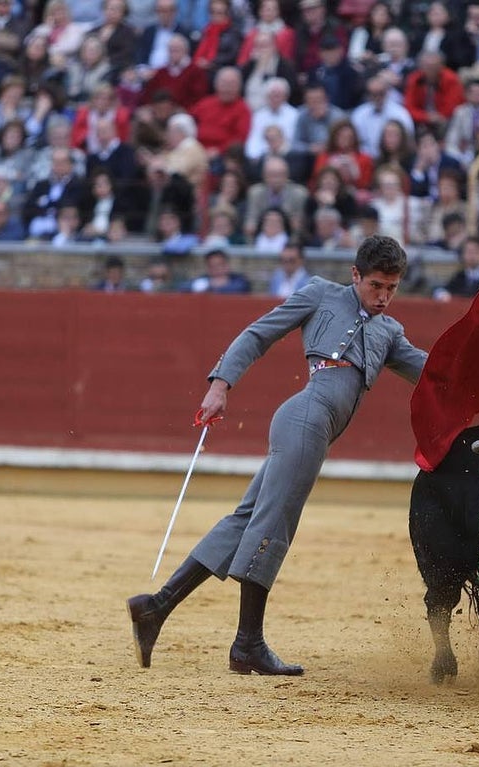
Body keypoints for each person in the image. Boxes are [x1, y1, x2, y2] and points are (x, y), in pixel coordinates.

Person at [127, 235, 428, 675]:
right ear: (355, 275)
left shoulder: (390, 332)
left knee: (247, 519)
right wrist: (220, 385)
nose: (383, 297)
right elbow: (258, 334)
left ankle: (155, 608)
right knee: (275, 522)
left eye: (392, 288)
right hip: (304, 419)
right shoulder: (320, 293)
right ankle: (247, 643)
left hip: (313, 429)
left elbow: (432, 372)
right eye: (375, 286)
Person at [186, 248, 251, 293]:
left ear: (227, 265)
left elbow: (241, 287)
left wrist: (218, 286)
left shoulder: (238, 280)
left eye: (219, 265)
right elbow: (184, 287)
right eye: (212, 266)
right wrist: (208, 284)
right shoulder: (204, 279)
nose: (216, 269)